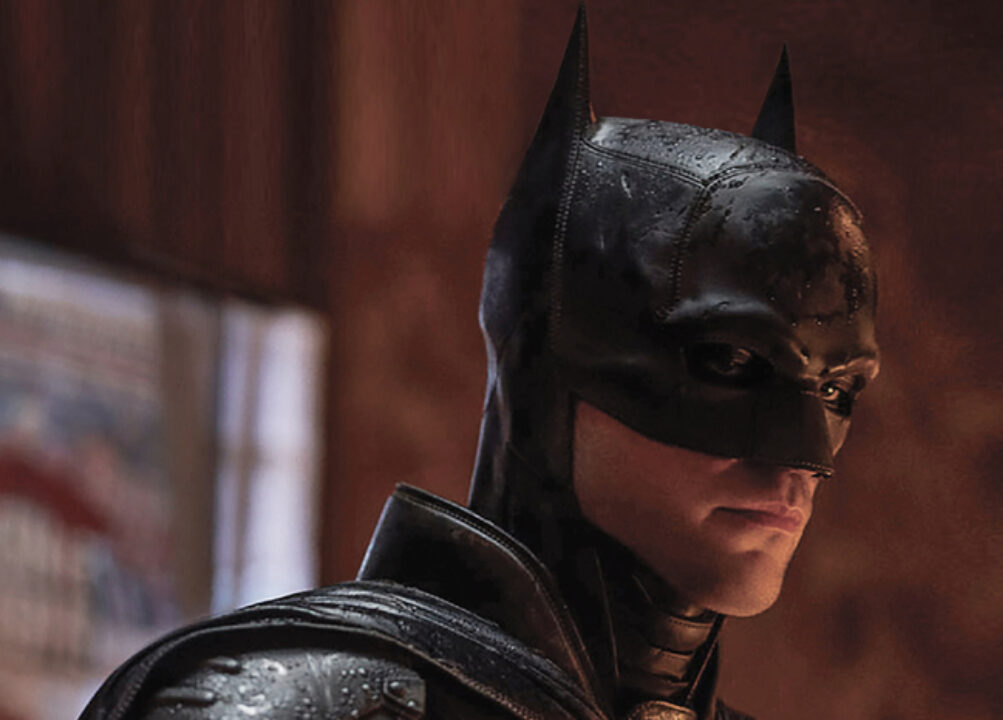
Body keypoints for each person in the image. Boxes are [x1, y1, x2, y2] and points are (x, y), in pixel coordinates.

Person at [79, 8, 879, 720]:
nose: (803, 459)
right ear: (546, 364)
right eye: (732, 361)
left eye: (837, 389)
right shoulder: (292, 702)